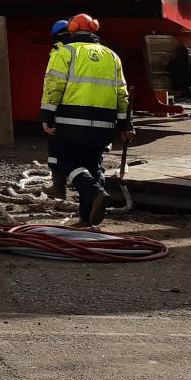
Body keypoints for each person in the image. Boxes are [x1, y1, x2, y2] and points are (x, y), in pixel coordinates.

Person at [39, 12, 131, 227]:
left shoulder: (65, 52)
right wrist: (125, 123)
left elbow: (54, 87)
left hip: (71, 121)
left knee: (65, 160)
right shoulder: (111, 56)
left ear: (71, 28)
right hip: (104, 124)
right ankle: (88, 217)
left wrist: (47, 115)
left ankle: (96, 192)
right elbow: (122, 93)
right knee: (93, 164)